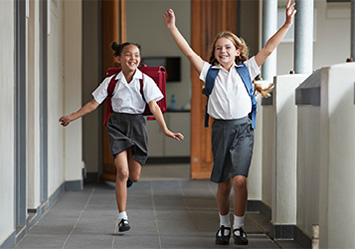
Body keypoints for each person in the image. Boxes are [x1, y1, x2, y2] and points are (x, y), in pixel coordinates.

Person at [163, 0, 295, 245]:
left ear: (237, 50)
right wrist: (173, 28)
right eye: (218, 48)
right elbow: (189, 52)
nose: (222, 51)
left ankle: (239, 227)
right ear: (214, 53)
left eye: (227, 47)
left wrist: (287, 23)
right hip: (221, 130)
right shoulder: (208, 72)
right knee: (223, 183)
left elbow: (268, 48)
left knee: (240, 180)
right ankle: (223, 225)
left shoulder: (248, 68)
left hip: (244, 129)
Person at [59, 42, 184, 232]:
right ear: (118, 58)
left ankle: (126, 182)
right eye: (127, 54)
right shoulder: (111, 81)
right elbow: (94, 103)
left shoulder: (145, 81)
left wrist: (166, 130)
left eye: (136, 55)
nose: (133, 58)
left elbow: (154, 107)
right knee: (122, 172)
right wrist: (71, 117)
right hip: (117, 125)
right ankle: (122, 217)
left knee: (134, 175)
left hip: (137, 126)